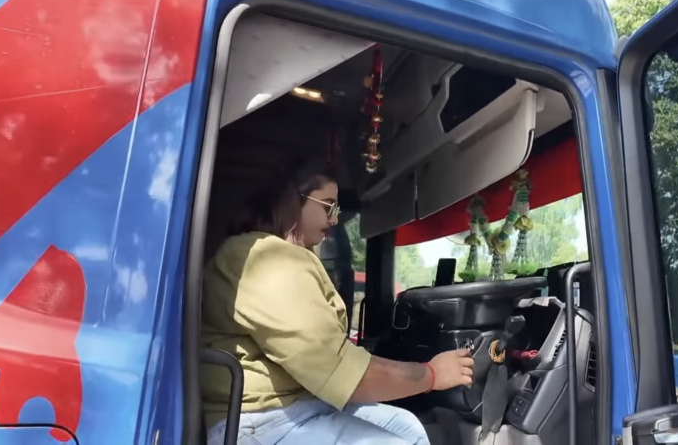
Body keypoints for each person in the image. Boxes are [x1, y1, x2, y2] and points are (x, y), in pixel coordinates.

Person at [201, 161, 474, 445]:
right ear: (293, 201)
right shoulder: (264, 259)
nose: (334, 219)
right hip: (259, 421)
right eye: (328, 206)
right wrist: (431, 375)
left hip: (301, 404)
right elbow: (342, 371)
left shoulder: (277, 256)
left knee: (410, 430)